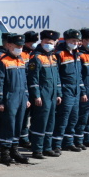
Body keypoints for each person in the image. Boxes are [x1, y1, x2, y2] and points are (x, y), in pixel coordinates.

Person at [0, 32, 31, 165]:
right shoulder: (2, 60)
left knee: (18, 125)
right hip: (9, 98)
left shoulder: (20, 60)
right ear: (8, 45)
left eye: (21, 46)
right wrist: (0, 101)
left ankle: (14, 150)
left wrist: (26, 97)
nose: (20, 48)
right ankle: (5, 153)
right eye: (17, 45)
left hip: (21, 98)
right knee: (8, 126)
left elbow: (25, 82)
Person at [27, 30, 62, 159]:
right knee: (40, 122)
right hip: (42, 95)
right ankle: (37, 149)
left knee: (50, 122)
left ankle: (47, 148)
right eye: (47, 42)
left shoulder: (52, 57)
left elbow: (57, 77)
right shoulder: (36, 57)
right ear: (41, 42)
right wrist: (37, 95)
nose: (49, 45)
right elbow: (33, 79)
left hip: (52, 95)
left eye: (51, 43)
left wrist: (58, 93)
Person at [52, 29, 84, 153]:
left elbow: (79, 75)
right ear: (66, 40)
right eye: (72, 40)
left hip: (75, 91)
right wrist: (60, 92)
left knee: (73, 118)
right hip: (66, 91)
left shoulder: (76, 54)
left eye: (77, 41)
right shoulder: (59, 54)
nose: (75, 43)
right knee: (62, 119)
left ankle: (68, 142)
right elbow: (57, 75)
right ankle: (57, 144)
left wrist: (82, 90)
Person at [19, 31, 39, 147]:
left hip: (34, 87)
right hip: (25, 87)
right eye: (32, 42)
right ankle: (23, 138)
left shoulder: (34, 53)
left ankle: (30, 136)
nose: (34, 44)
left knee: (34, 115)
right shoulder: (22, 54)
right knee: (24, 115)